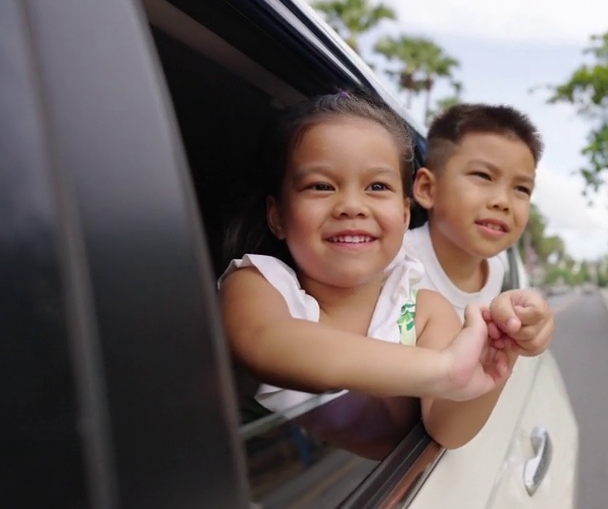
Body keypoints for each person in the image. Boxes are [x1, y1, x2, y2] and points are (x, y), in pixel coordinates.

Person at [218, 93, 516, 457]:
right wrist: (442, 369)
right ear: (278, 215)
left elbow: (447, 429)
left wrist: (496, 360)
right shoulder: (259, 284)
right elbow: (268, 342)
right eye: (321, 186)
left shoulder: (422, 309)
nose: (351, 206)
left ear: (405, 216)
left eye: (377, 187)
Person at [403, 103, 555, 362]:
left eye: (521, 189)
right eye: (483, 176)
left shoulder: (497, 271)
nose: (503, 201)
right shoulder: (392, 262)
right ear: (428, 189)